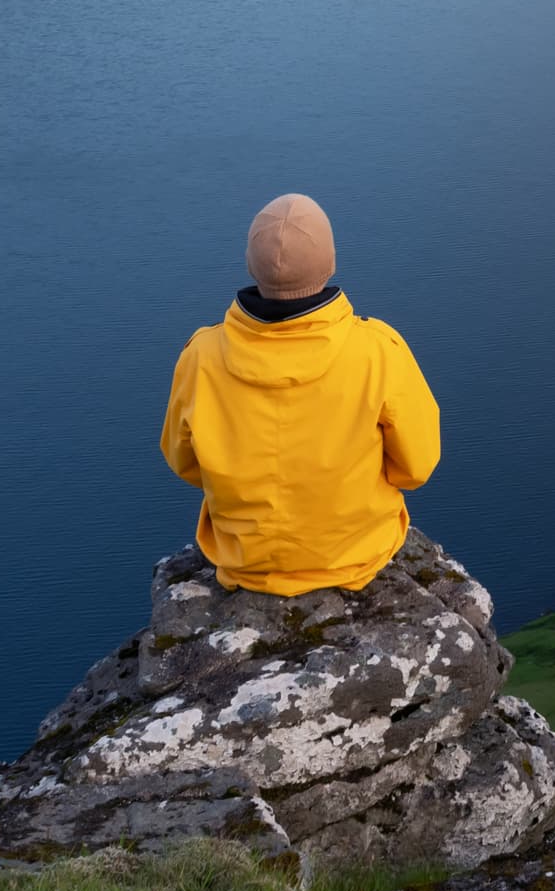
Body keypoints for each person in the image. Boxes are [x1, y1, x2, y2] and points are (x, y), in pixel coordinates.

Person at [160, 193, 442, 595]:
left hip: (244, 559)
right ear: (329, 263)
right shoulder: (378, 350)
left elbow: (183, 461)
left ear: (250, 263)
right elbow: (417, 466)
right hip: (354, 553)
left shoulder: (200, 357)